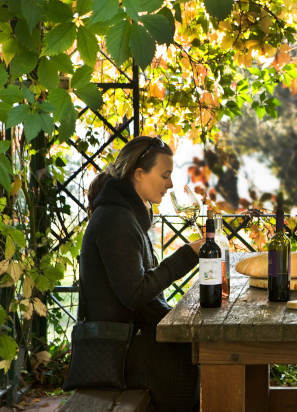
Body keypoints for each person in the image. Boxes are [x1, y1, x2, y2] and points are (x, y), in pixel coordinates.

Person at [78, 136, 203, 412]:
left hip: (131, 341)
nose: (170, 184)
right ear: (138, 174)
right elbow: (135, 294)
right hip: (120, 353)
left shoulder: (125, 215)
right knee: (196, 358)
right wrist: (187, 255)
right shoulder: (115, 220)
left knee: (199, 352)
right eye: (165, 175)